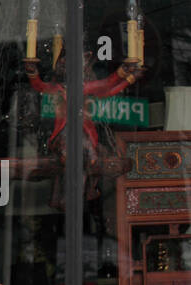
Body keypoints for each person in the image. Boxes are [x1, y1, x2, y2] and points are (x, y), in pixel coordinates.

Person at [23, 50, 140, 202]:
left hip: (84, 130)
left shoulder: (85, 87)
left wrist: (126, 73)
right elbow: (38, 85)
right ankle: (71, 192)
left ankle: (80, 191)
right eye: (65, 65)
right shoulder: (58, 88)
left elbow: (108, 85)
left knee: (89, 155)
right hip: (64, 131)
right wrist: (32, 72)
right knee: (70, 154)